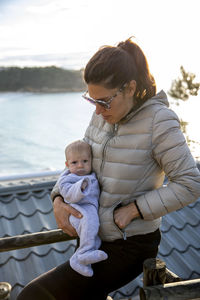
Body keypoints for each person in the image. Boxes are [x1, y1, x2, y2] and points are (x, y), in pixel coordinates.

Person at [17, 37, 200, 300]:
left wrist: (136, 209)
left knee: (33, 296)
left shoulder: (160, 121)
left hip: (128, 245)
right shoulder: (102, 114)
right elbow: (77, 161)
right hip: (91, 237)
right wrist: (57, 197)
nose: (98, 111)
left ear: (130, 88)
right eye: (92, 101)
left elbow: (190, 184)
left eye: (103, 101)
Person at [57, 140, 108, 277]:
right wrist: (80, 186)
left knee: (94, 235)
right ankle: (85, 253)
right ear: (67, 165)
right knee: (90, 225)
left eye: (85, 161)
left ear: (91, 161)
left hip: (89, 209)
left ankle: (77, 260)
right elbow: (68, 194)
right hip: (78, 211)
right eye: (74, 163)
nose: (80, 165)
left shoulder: (90, 175)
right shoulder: (67, 179)